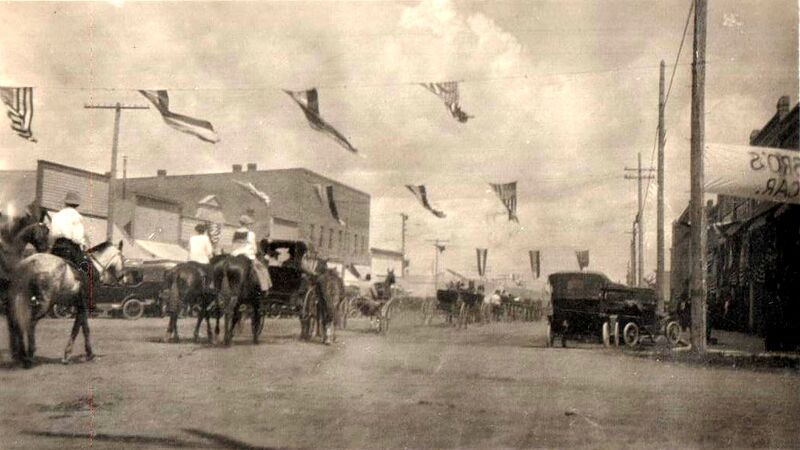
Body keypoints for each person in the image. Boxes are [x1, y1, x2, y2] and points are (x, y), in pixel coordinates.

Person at [231, 214, 271, 292]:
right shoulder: (251, 234)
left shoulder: (235, 232)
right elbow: (254, 249)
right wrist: (255, 252)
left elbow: (233, 245)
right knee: (262, 269)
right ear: (246, 224)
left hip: (235, 255)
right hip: (247, 255)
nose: (250, 225)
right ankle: (264, 289)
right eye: (249, 224)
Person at [50, 191, 90, 271]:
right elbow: (77, 238)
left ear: (65, 203)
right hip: (69, 249)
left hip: (56, 248)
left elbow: (52, 234)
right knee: (90, 271)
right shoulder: (76, 216)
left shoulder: (57, 215)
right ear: (77, 205)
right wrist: (83, 243)